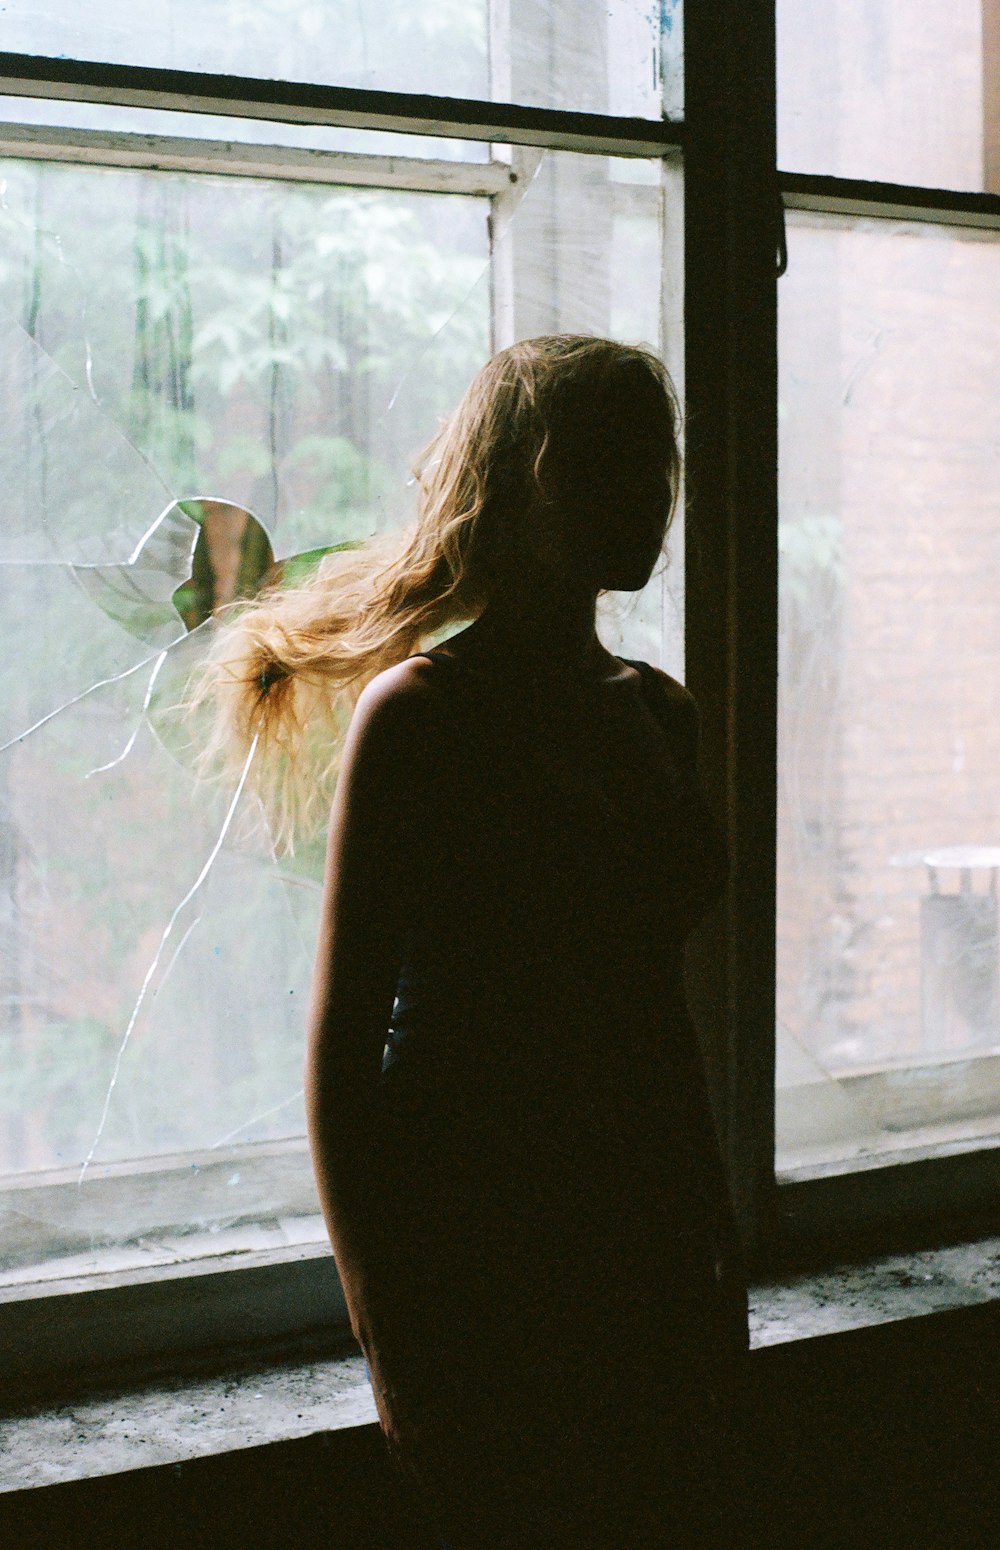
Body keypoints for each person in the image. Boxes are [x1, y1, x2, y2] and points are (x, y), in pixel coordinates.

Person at [196, 335, 749, 1548]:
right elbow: (343, 1051)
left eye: (655, 462)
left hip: (645, 1243)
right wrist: (388, 1331)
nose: (651, 492)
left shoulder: (658, 712)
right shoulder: (422, 717)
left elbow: (655, 1021)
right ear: (529, 484)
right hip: (485, 1259)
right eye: (611, 462)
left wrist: (713, 1253)